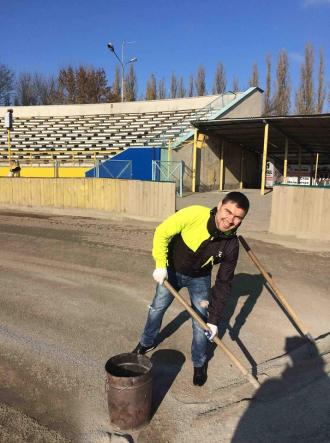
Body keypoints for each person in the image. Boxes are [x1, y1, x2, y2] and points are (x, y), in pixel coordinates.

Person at [133, 191, 249, 386]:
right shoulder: (195, 214)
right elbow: (162, 232)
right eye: (228, 211)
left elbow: (223, 283)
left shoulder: (231, 245)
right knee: (157, 308)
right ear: (220, 205)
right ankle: (146, 342)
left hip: (200, 278)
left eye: (237, 217)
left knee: (201, 323)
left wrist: (214, 321)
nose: (230, 220)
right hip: (171, 271)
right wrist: (161, 265)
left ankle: (199, 362)